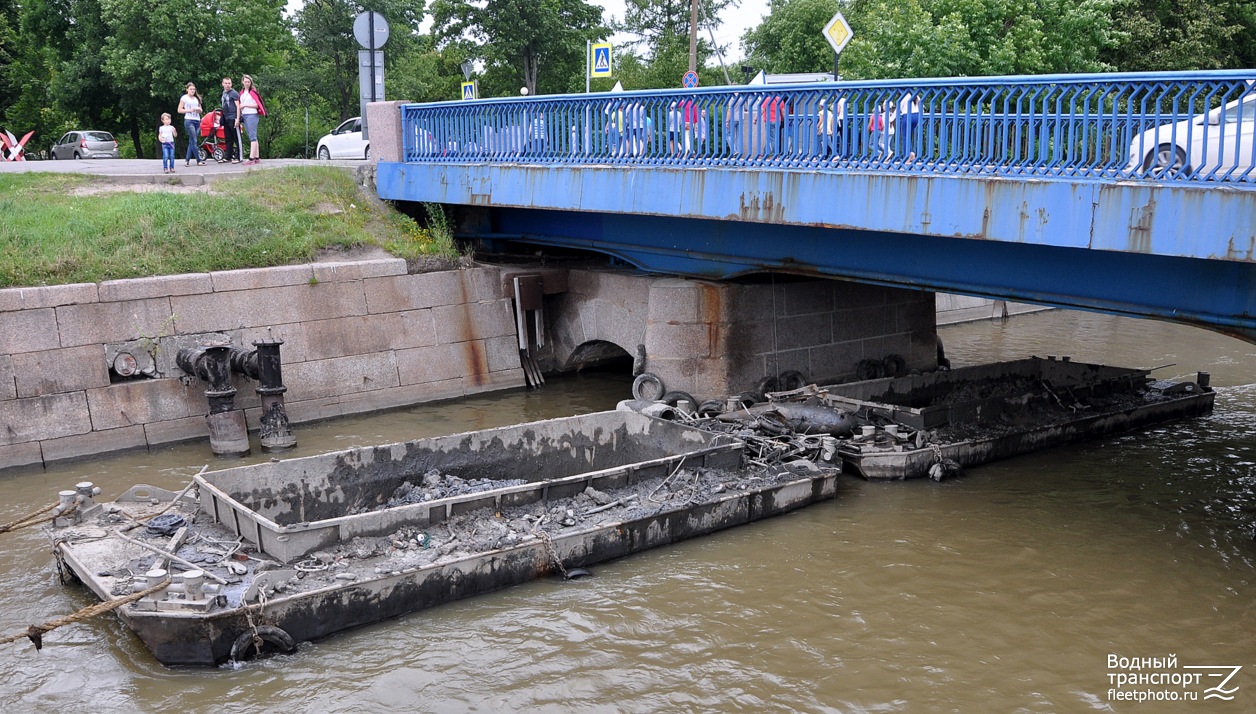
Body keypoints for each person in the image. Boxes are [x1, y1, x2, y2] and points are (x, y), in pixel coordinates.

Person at [239, 74, 266, 165]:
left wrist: (245, 105)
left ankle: (251, 158)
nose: (247, 83)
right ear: (242, 82)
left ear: (251, 83)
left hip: (252, 115)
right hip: (245, 115)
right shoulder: (242, 93)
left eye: (248, 82)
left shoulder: (253, 92)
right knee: (253, 135)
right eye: (245, 82)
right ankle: (257, 157)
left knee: (252, 137)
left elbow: (257, 105)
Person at [177, 82, 204, 167]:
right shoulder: (184, 98)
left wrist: (199, 110)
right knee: (194, 140)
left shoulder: (196, 98)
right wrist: (190, 110)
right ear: (187, 90)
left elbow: (201, 109)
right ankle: (198, 160)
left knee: (192, 141)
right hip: (189, 120)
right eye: (191, 89)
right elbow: (179, 110)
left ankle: (187, 160)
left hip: (197, 120)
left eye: (193, 89)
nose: (192, 91)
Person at [220, 76, 242, 163]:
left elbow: (238, 106)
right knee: (228, 138)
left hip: (233, 117)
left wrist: (237, 119)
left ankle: (239, 156)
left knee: (236, 137)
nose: (227, 85)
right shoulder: (224, 93)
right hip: (226, 118)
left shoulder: (234, 93)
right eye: (226, 83)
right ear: (223, 84)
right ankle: (228, 156)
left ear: (231, 84)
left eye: (229, 83)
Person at [898, 91, 921, 161]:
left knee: (905, 136)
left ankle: (908, 154)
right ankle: (910, 153)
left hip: (907, 116)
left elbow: (899, 109)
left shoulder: (903, 96)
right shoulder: (916, 95)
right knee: (908, 135)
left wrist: (890, 119)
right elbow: (921, 106)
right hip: (916, 116)